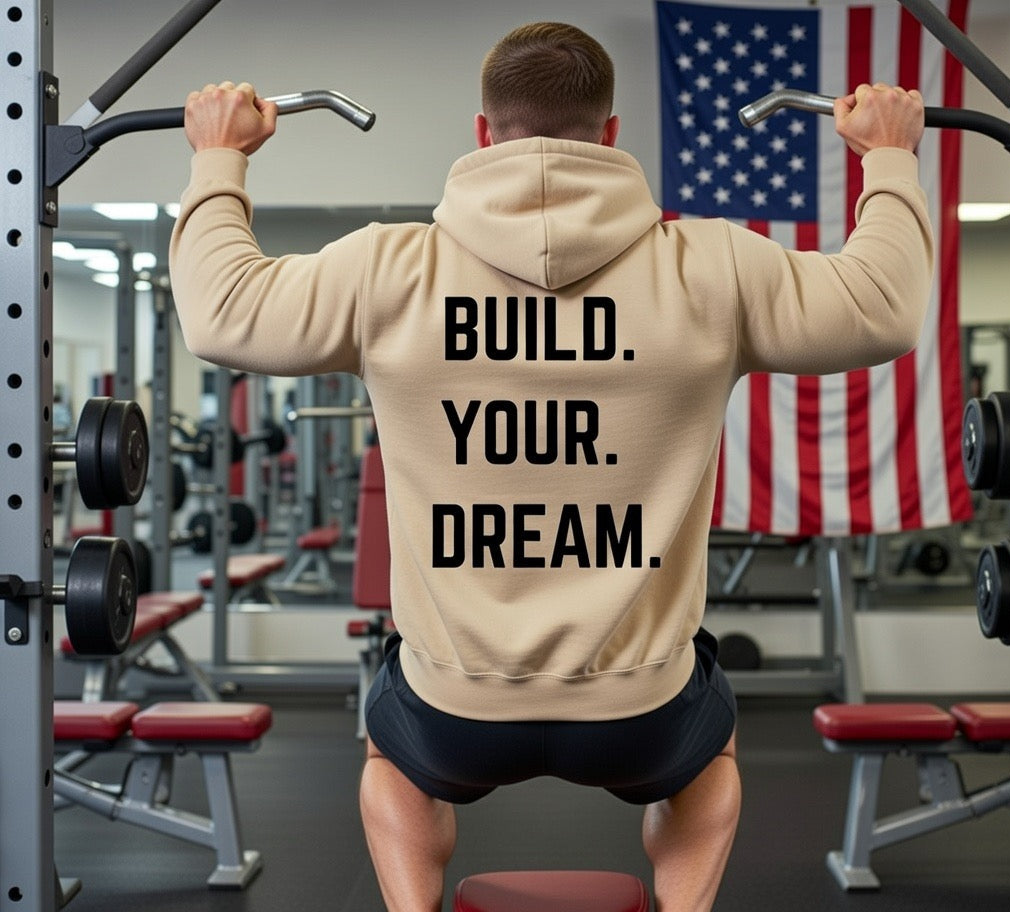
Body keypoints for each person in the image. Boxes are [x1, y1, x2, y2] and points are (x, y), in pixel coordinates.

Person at [170, 21, 930, 912]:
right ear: (611, 135)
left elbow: (219, 313)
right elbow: (884, 308)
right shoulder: (714, 265)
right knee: (709, 765)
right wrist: (887, 158)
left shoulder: (387, 268)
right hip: (641, 713)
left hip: (452, 709)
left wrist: (220, 158)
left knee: (392, 762)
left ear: (483, 133)